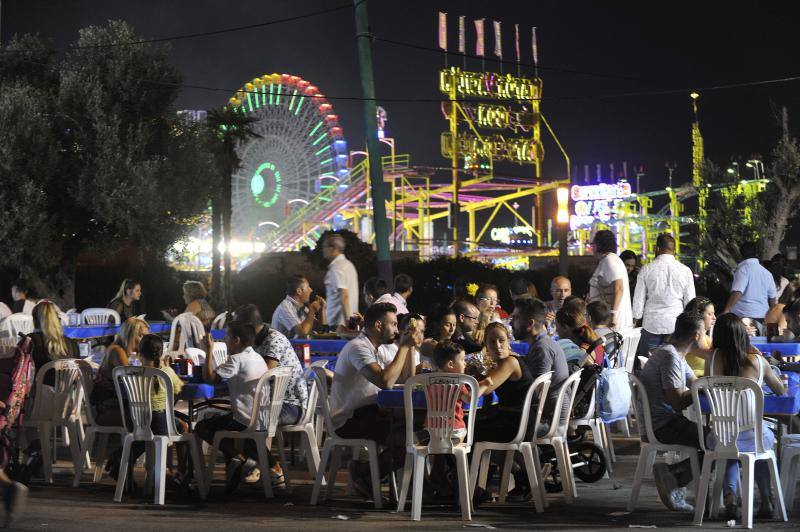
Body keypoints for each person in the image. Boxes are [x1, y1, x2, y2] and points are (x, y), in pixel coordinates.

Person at [329, 302, 422, 493]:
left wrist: (410, 347)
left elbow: (406, 379)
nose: (397, 329)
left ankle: (371, 474)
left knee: (422, 430)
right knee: (411, 440)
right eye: (394, 324)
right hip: (349, 419)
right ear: (379, 325)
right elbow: (385, 381)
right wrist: (403, 347)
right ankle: (365, 472)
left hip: (371, 413)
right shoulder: (358, 348)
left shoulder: (375, 348)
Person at [706, 313, 785, 520]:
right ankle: (767, 500)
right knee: (757, 440)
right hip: (753, 437)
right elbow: (780, 391)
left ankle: (730, 500)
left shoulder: (712, 360)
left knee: (730, 444)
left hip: (721, 437)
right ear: (743, 335)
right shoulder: (757, 361)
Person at [638, 312, 706, 512]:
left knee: (718, 440)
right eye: (704, 332)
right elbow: (677, 402)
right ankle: (674, 476)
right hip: (662, 425)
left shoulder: (675, 353)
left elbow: (695, 383)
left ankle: (674, 475)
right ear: (695, 335)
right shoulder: (669, 356)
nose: (705, 335)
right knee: (718, 442)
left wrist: (705, 386)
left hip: (665, 421)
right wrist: (700, 390)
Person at [234, 304, 307, 488]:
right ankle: (254, 467)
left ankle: (273, 469)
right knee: (237, 421)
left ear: (248, 327)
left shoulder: (272, 340)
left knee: (248, 424)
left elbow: (263, 376)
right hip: (270, 402)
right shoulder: (255, 340)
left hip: (291, 404)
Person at [195, 320, 268, 493]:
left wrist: (209, 350)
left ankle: (240, 458)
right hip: (262, 417)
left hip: (244, 419)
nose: (224, 340)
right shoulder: (257, 357)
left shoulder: (237, 360)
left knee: (202, 427)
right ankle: (236, 469)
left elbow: (209, 378)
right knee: (221, 424)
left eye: (227, 337)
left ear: (236, 340)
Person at [632, 233, 696, 360]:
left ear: (657, 249)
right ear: (674, 250)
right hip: (676, 325)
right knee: (673, 364)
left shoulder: (646, 269)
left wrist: (636, 317)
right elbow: (690, 302)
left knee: (648, 365)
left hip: (651, 324)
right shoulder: (685, 271)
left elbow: (638, 300)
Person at [513, 298, 569, 429]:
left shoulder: (542, 348)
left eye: (515, 318)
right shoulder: (542, 343)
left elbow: (537, 392)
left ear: (530, 324)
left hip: (548, 422)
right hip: (548, 415)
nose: (510, 323)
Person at [91, 317, 150, 427]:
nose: (144, 341)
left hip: (116, 403)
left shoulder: (126, 352)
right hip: (106, 406)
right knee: (153, 417)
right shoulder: (117, 351)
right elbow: (131, 381)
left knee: (155, 414)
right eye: (141, 336)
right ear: (129, 335)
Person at [723, 241, 776, 333]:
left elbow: (737, 292)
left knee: (743, 345)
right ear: (756, 253)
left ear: (740, 254)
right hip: (762, 317)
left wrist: (726, 311)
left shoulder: (743, 270)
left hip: (744, 318)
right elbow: (772, 299)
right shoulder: (767, 273)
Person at [588, 230, 633, 332]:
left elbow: (619, 288)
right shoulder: (610, 260)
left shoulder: (609, 260)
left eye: (593, 244)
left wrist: (613, 314)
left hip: (613, 324)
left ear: (599, 245)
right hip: (608, 320)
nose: (592, 248)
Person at [26, 301, 79, 386]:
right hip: (68, 395)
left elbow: (17, 368)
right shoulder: (72, 343)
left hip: (39, 396)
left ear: (35, 320)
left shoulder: (29, 341)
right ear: (57, 319)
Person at [322, 234, 359, 327]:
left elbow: (344, 295)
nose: (323, 250)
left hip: (338, 324)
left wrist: (347, 324)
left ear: (333, 248)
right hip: (349, 320)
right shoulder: (349, 265)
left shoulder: (337, 268)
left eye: (325, 247)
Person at [555, 302, 605, 368]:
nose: (556, 330)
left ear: (565, 328)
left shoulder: (580, 354)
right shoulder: (592, 339)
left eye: (557, 326)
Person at [378, 312, 423, 381]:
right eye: (412, 331)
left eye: (421, 331)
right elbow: (406, 379)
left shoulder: (416, 353)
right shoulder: (386, 348)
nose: (418, 335)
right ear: (401, 332)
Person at [683, 297, 716, 376]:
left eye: (714, 313)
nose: (714, 317)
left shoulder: (705, 337)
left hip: (703, 380)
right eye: (710, 314)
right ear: (699, 316)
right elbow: (712, 356)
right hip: (694, 382)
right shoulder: (692, 336)